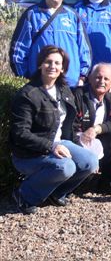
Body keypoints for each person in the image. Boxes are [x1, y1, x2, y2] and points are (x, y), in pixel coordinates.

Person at [10, 46, 99, 214]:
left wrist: (78, 144)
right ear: (40, 65)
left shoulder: (64, 90)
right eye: (48, 62)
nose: (53, 66)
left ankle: (55, 193)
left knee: (90, 161)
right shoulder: (28, 95)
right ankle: (24, 195)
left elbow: (69, 124)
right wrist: (51, 146)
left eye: (57, 63)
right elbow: (20, 133)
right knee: (65, 167)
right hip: (29, 153)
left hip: (59, 143)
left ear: (63, 68)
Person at [10, 0, 91, 87]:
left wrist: (82, 77)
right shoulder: (32, 15)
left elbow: (84, 50)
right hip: (40, 85)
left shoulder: (73, 16)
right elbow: (18, 51)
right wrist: (25, 78)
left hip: (70, 85)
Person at [73, 63, 111, 194]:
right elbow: (70, 126)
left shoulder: (110, 99)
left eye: (106, 79)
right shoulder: (77, 96)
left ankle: (107, 182)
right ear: (90, 79)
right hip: (77, 140)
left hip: (96, 138)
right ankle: (75, 183)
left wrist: (97, 129)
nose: (102, 81)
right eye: (98, 77)